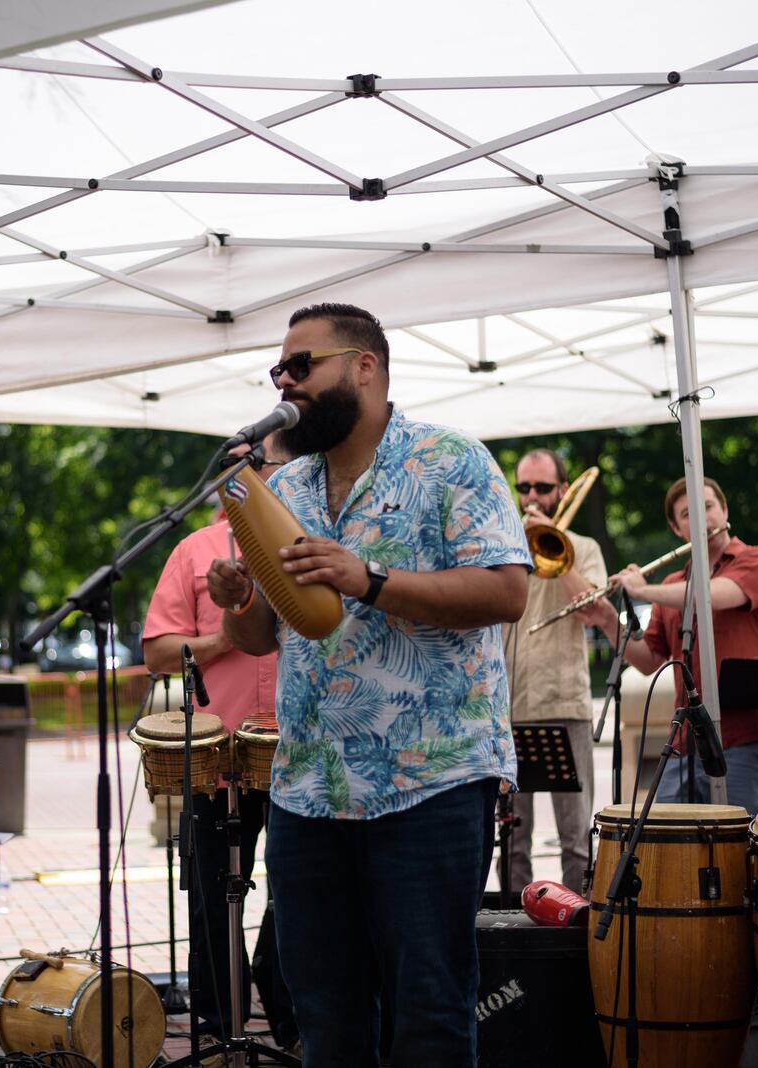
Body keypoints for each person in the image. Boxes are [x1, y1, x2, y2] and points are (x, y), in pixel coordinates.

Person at [207, 302, 529, 1066]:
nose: (285, 382)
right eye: (277, 370)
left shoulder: (452, 459)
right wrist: (240, 599)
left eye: (300, 365)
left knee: (430, 1012)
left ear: (365, 366)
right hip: (309, 789)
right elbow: (260, 638)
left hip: (432, 782)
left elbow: (506, 592)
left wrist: (369, 578)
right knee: (322, 1014)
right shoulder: (279, 486)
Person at [141, 434, 298, 1054]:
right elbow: (157, 652)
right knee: (209, 896)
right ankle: (215, 1030)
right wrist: (230, 637)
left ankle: (284, 1008)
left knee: (301, 889)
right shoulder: (192, 550)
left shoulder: (296, 541)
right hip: (217, 757)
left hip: (296, 750)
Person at [580, 476, 758, 816]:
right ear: (677, 529)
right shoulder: (673, 585)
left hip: (746, 737)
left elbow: (710, 596)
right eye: (689, 514)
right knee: (670, 847)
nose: (702, 518)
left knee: (738, 847)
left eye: (707, 507)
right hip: (684, 743)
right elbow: (649, 660)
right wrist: (605, 618)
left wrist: (643, 590)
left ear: (724, 510)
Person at [499, 450, 606, 894]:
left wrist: (555, 549)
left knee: (576, 837)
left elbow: (596, 612)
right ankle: (511, 925)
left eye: (543, 488)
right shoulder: (503, 544)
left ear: (562, 490)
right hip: (508, 710)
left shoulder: (582, 547)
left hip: (564, 706)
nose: (532, 498)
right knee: (511, 838)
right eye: (524, 488)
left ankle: (577, 926)